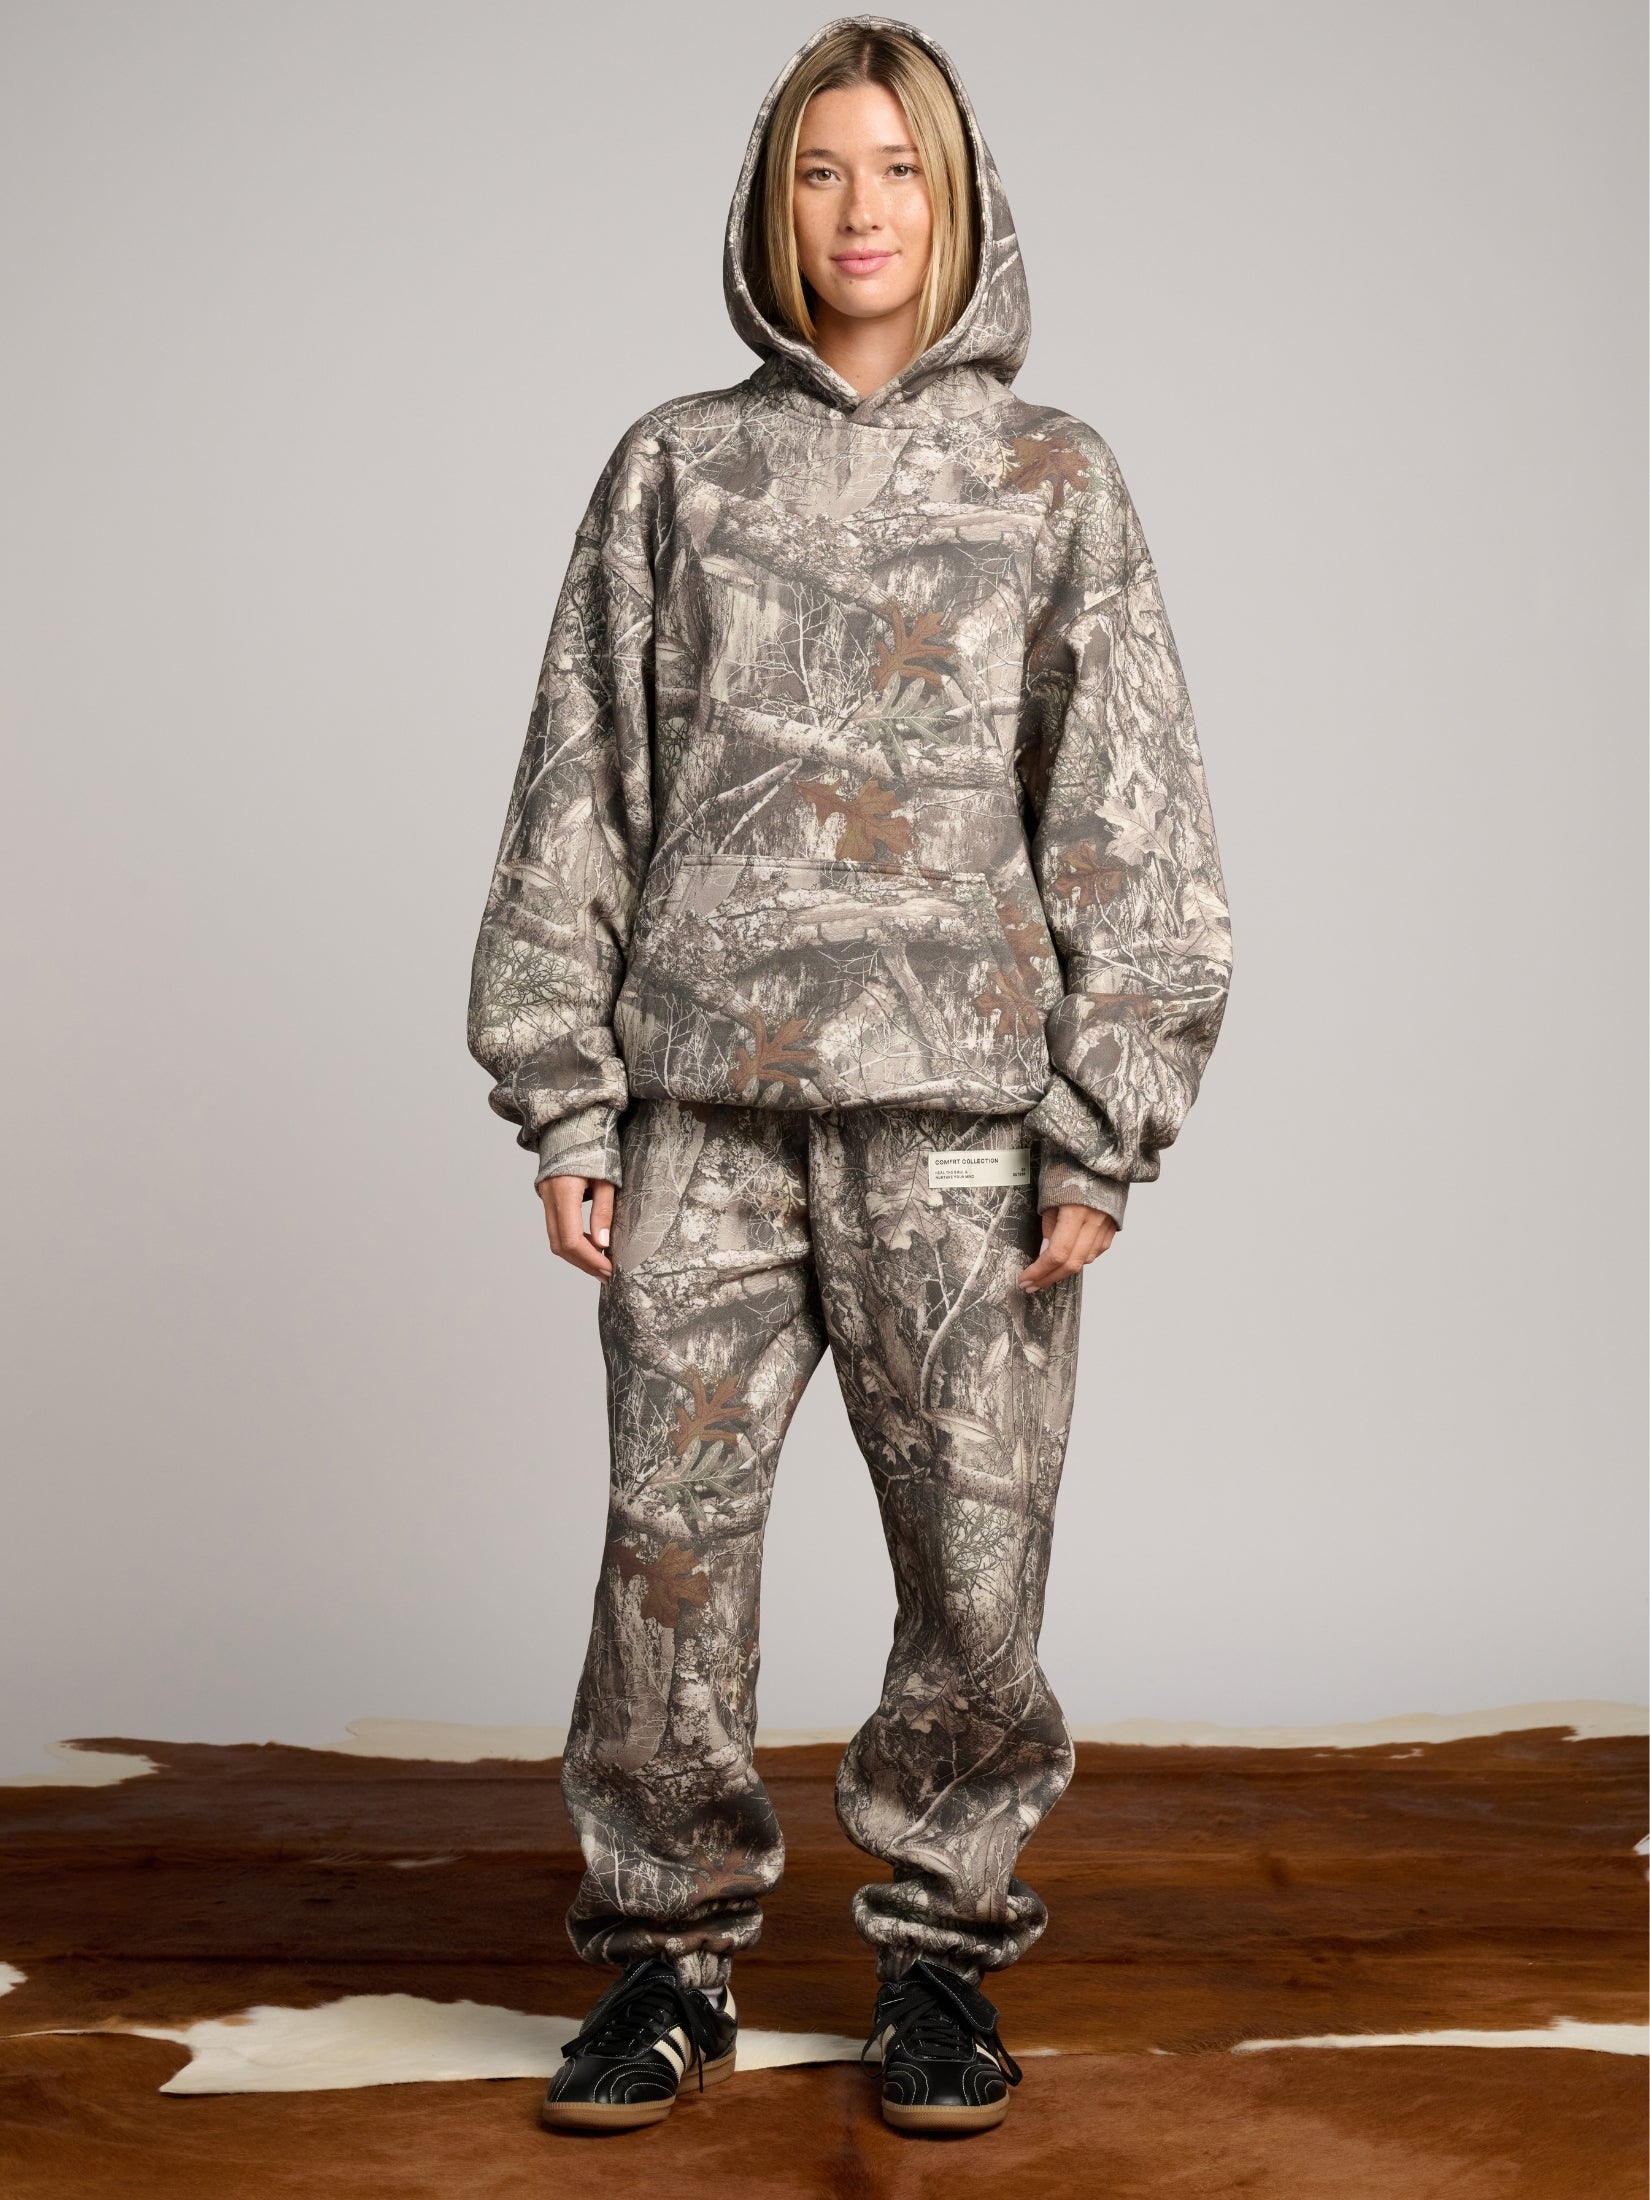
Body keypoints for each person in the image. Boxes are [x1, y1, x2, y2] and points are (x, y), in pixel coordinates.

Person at [467, 12, 1231, 2139]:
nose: (861, 209)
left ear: (957, 200)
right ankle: (664, 1961)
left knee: (976, 1565)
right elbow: (580, 791)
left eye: (898, 168)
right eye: (820, 169)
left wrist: (1103, 1121)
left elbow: (1129, 817)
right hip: (702, 1115)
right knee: (668, 1554)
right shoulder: (673, 471)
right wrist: (567, 1094)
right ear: (768, 204)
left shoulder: (1053, 479)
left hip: (966, 1132)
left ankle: (940, 1963)